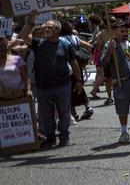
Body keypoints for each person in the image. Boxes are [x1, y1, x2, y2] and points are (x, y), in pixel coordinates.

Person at [19, 15, 84, 147]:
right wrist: (30, 23)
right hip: (43, 86)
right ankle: (50, 137)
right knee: (45, 115)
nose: (45, 29)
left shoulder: (65, 44)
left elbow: (74, 63)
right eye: (44, 27)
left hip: (62, 85)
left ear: (57, 29)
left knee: (64, 113)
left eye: (49, 27)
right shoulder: (38, 43)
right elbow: (23, 37)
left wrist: (78, 80)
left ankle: (64, 136)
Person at [60, 20, 94, 122]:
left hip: (67, 68)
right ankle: (88, 107)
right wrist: (89, 57)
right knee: (80, 87)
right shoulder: (75, 38)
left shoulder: (60, 40)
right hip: (78, 66)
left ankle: (73, 113)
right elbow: (89, 46)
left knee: (68, 91)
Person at [0, 30, 32, 100]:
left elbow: (26, 77)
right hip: (1, 98)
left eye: (4, 46)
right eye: (0, 47)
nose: (2, 48)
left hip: (19, 95)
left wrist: (28, 90)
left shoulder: (17, 59)